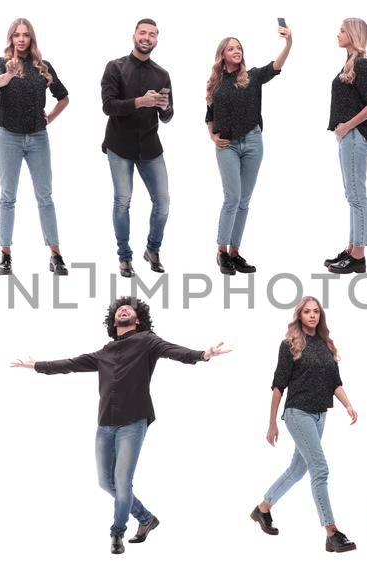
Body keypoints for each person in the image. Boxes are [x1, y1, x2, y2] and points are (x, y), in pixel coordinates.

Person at [12, 297, 229, 554]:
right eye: (119, 309)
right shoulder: (104, 353)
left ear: (137, 320)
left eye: (130, 309)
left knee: (123, 481)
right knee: (106, 483)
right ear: (113, 320)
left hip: (133, 422)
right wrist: (36, 365)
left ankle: (117, 533)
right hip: (105, 424)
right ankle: (146, 518)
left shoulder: (148, 340)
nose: (124, 309)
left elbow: (174, 351)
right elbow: (70, 364)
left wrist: (202, 355)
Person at [249, 296, 359, 552]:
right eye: (307, 312)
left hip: (321, 414)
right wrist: (272, 423)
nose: (312, 316)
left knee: (298, 469)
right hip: (298, 413)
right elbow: (278, 385)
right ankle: (331, 532)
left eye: (316, 312)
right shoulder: (289, 345)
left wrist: (349, 405)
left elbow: (335, 382)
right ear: (299, 315)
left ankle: (262, 509)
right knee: (319, 469)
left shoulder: (325, 345)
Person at [206, 25, 292, 275]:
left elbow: (275, 66)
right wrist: (212, 136)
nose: (237, 51)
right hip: (227, 145)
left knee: (244, 201)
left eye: (239, 48)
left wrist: (288, 44)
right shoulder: (215, 84)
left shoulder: (252, 76)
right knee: (232, 198)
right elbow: (209, 115)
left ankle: (235, 252)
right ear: (222, 54)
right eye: (231, 48)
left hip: (253, 142)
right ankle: (222, 252)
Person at [0, 18, 70, 276]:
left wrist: (49, 117)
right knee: (8, 196)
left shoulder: (43, 67)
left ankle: (56, 255)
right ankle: (5, 255)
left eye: (26, 35)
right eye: (17, 35)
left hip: (38, 137)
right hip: (9, 137)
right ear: (11, 38)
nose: (21, 39)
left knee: (45, 196)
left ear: (31, 38)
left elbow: (64, 97)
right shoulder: (0, 63)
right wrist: (11, 72)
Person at [101, 19, 175, 278]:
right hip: (119, 145)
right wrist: (139, 102)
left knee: (163, 203)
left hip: (150, 146)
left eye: (152, 34)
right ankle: (124, 256)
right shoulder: (115, 67)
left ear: (157, 40)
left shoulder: (162, 74)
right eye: (143, 32)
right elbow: (108, 106)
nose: (147, 37)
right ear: (134, 36)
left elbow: (167, 116)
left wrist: (163, 107)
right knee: (122, 201)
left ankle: (152, 249)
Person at [322, 18, 367, 275]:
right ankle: (351, 247)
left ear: (353, 34)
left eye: (342, 30)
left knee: (357, 196)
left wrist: (347, 126)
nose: (338, 34)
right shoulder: (349, 63)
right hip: (348, 138)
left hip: (355, 136)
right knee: (351, 195)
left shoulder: (362, 64)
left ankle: (358, 256)